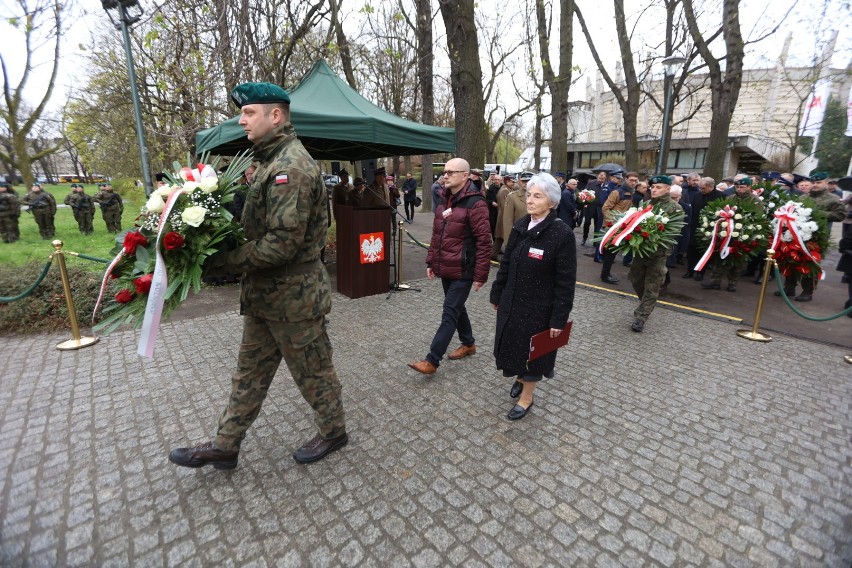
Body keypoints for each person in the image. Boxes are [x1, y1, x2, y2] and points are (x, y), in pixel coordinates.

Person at [169, 81, 347, 470]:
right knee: (248, 373)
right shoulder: (270, 160)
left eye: (249, 113)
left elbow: (281, 244)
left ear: (276, 116)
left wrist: (220, 262)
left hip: (295, 299)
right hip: (267, 296)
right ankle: (225, 445)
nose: (241, 120)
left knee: (313, 373)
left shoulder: (291, 167)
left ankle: (334, 431)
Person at [490, 172, 576, 420]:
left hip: (539, 309)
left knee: (533, 354)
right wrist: (497, 292)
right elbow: (506, 263)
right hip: (513, 301)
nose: (529, 200)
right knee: (513, 346)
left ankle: (527, 397)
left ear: (552, 202)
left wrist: (558, 319)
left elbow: (565, 282)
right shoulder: (521, 226)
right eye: (528, 194)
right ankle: (519, 376)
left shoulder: (562, 234)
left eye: (537, 196)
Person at [408, 158, 492, 375]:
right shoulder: (444, 199)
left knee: (449, 312)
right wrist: (431, 261)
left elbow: (484, 242)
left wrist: (481, 275)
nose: (445, 176)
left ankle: (432, 360)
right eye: (444, 172)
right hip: (445, 266)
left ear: (465, 175)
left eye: (450, 172)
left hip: (464, 269)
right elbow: (437, 235)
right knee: (456, 308)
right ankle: (469, 343)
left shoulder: (476, 203)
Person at [628, 175, 683, 332]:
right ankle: (646, 303)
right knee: (635, 279)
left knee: (652, 285)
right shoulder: (645, 204)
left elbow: (673, 232)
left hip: (658, 254)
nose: (654, 189)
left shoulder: (674, 208)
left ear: (667, 189)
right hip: (640, 252)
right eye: (653, 187)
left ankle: (641, 317)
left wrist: (652, 238)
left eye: (658, 187)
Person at [700, 177, 761, 292]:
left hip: (743, 234)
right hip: (725, 232)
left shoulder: (755, 201)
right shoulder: (730, 198)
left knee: (738, 260)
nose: (739, 189)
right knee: (719, 257)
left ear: (749, 187)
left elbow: (757, 218)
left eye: (742, 187)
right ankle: (715, 281)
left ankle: (732, 283)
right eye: (737, 187)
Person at [599, 172, 638, 284]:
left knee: (613, 253)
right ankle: (605, 275)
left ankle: (605, 274)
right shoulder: (617, 192)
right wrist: (613, 224)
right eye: (631, 180)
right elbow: (606, 208)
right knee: (611, 252)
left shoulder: (632, 193)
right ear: (625, 179)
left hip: (625, 227)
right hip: (614, 227)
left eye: (635, 181)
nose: (633, 182)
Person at [491, 174, 515, 260]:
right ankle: (493, 255)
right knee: (501, 237)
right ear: (507, 182)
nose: (513, 183)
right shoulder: (505, 191)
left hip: (503, 217)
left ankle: (494, 254)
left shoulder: (507, 189)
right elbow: (506, 207)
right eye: (511, 182)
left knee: (500, 237)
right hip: (503, 217)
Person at [582, 171, 607, 246]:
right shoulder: (591, 183)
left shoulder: (606, 185)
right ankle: (584, 237)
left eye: (602, 179)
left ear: (605, 178)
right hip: (590, 207)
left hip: (599, 208)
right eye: (599, 178)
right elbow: (585, 193)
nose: (600, 180)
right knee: (587, 223)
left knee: (597, 225)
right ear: (597, 177)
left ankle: (595, 241)